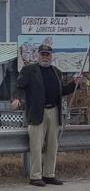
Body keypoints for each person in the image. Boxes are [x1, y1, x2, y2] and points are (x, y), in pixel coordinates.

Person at [11, 45, 81, 187]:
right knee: (36, 146)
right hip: (37, 112)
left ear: (51, 56)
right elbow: (19, 87)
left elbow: (61, 91)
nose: (45, 57)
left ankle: (49, 175)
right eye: (42, 54)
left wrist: (75, 84)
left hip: (54, 112)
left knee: (52, 146)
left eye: (47, 54)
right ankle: (35, 176)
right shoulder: (29, 70)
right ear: (38, 55)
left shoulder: (57, 72)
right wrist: (16, 99)